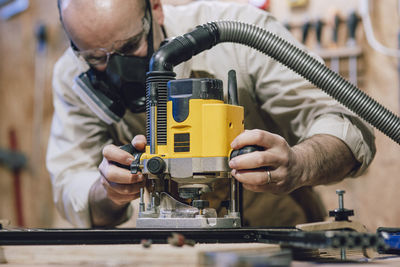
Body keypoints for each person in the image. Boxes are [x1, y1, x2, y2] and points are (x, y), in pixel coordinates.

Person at [48, 0, 375, 228]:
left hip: (278, 231)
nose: (117, 69)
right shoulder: (70, 76)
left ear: (156, 8)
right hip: (167, 242)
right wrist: (107, 191)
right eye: (96, 58)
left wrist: (300, 164)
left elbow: (350, 127)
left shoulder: (241, 33)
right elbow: (70, 182)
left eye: (131, 45)